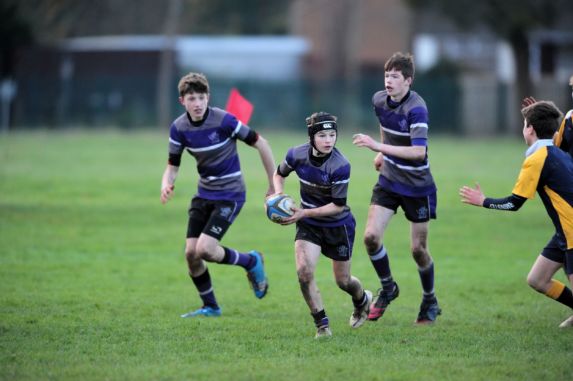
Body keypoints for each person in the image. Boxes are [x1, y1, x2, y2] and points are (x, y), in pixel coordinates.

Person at [160, 72, 276, 318]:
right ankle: (211, 307)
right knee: (191, 254)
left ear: (208, 97)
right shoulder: (179, 128)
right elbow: (172, 166)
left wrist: (272, 184)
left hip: (230, 194)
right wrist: (166, 184)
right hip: (204, 194)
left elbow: (261, 143)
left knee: (205, 249)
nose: (198, 103)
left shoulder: (224, 120)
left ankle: (250, 261)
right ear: (182, 100)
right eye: (192, 98)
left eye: (202, 97)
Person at [459, 100, 573, 328]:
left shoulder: (536, 159)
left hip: (572, 233)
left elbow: (514, 203)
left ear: (529, 128)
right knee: (537, 279)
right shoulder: (557, 152)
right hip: (563, 231)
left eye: (524, 123)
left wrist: (483, 201)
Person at [352, 52, 441, 324]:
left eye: (395, 77)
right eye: (386, 76)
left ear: (408, 81)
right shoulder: (379, 99)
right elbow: (384, 124)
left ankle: (429, 299)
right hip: (389, 181)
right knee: (370, 237)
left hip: (418, 187)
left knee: (418, 249)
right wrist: (382, 154)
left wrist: (378, 147)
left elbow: (418, 152)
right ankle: (388, 287)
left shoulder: (417, 108)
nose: (388, 81)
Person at [272, 111, 372, 338]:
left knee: (343, 281)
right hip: (309, 224)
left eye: (332, 135)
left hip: (338, 225)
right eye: (323, 135)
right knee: (304, 273)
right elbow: (279, 174)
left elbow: (337, 205)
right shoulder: (296, 154)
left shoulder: (340, 165)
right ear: (311, 137)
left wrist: (303, 212)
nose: (328, 140)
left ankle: (362, 299)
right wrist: (280, 197)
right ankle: (322, 326)